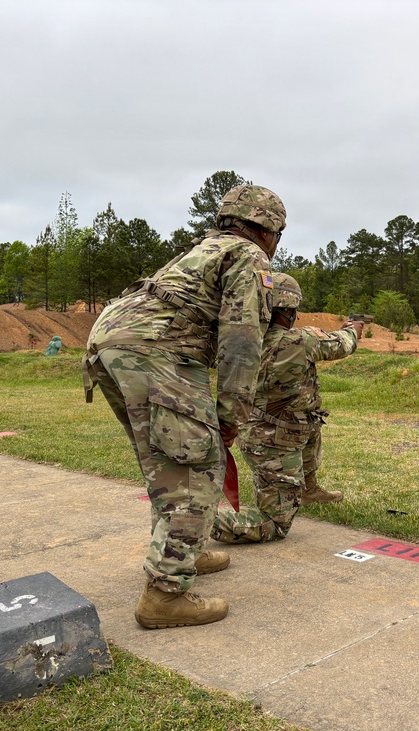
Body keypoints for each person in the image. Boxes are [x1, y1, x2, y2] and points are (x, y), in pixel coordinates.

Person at [83, 185, 285, 629]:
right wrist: (231, 417)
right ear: (268, 230)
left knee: (168, 464)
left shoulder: (200, 249)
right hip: (158, 349)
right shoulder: (249, 257)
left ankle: (181, 553)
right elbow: (241, 341)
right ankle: (165, 595)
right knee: (196, 469)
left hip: (112, 340)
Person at [211, 273, 362, 544]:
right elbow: (343, 344)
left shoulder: (242, 342)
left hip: (270, 428)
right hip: (274, 442)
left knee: (310, 423)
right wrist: (353, 330)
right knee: (274, 524)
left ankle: (309, 489)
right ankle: (193, 521)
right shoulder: (300, 340)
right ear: (288, 311)